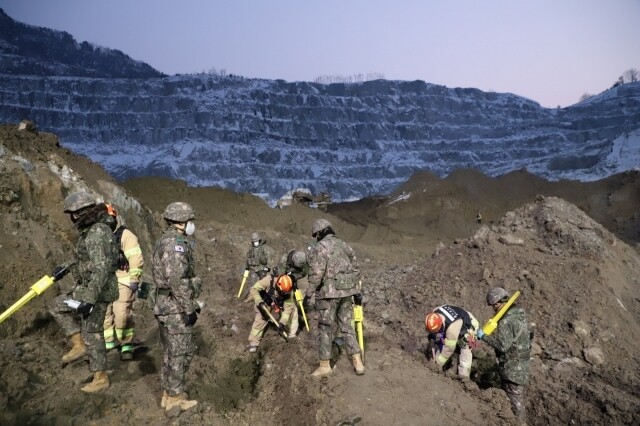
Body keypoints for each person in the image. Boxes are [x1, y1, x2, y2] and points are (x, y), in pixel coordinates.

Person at [48, 192, 119, 392]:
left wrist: (88, 300)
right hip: (87, 288)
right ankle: (78, 345)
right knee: (56, 306)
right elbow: (84, 259)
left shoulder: (97, 233)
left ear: (80, 213)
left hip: (97, 292)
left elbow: (101, 268)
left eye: (72, 213)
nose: (71, 218)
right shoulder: (89, 231)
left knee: (92, 332)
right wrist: (66, 267)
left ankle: (101, 377)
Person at [151, 202, 202, 413]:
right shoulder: (174, 245)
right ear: (181, 222)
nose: (191, 224)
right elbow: (177, 280)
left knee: (171, 352)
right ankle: (174, 398)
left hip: (168, 305)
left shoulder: (167, 240)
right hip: (175, 307)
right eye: (189, 220)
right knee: (181, 353)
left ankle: (168, 393)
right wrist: (189, 308)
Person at [307, 218, 364, 378]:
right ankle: (358, 362)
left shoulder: (320, 247)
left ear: (319, 233)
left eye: (316, 235)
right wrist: (356, 290)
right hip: (347, 292)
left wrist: (309, 293)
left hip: (329, 295)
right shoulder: (343, 245)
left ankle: (325, 366)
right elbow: (356, 269)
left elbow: (317, 274)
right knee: (347, 326)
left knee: (325, 328)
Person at [476, 287, 531, 423]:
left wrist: (483, 336)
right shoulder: (519, 314)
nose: (493, 309)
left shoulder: (505, 321)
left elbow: (503, 346)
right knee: (517, 398)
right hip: (522, 364)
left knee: (514, 402)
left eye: (493, 306)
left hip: (512, 368)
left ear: (497, 303)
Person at [103, 204, 144, 360]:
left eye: (109, 218)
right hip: (104, 280)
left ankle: (126, 344)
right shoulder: (97, 237)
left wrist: (134, 278)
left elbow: (135, 257)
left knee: (121, 315)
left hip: (122, 279)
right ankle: (109, 342)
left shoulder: (126, 235)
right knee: (104, 314)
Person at [246, 250, 308, 352]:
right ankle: (253, 342)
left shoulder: (289, 291)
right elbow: (254, 289)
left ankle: (291, 335)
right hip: (266, 298)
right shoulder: (269, 280)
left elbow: (288, 308)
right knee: (261, 318)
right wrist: (259, 301)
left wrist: (282, 323)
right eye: (282, 291)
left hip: (280, 298)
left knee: (293, 312)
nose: (285, 293)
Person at [425, 305, 480, 380]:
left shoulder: (452, 330)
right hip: (458, 317)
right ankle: (437, 358)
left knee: (465, 348)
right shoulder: (434, 313)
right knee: (441, 339)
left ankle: (464, 377)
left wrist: (438, 364)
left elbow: (449, 349)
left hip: (468, 326)